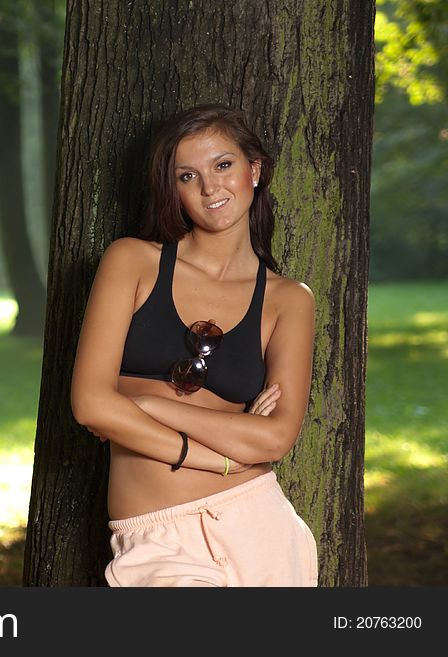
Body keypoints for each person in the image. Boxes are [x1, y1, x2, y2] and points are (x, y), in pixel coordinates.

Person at [70, 104, 318, 587]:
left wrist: (145, 406)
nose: (210, 187)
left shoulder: (289, 300)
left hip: (260, 529)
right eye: (188, 175)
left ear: (255, 169)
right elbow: (90, 406)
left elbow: (274, 440)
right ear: (174, 189)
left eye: (223, 165)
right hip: (158, 541)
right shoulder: (132, 263)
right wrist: (221, 452)